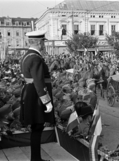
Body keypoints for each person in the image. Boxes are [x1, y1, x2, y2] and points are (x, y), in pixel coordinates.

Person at [20, 30, 54, 161]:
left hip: (32, 94)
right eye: (43, 42)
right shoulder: (35, 58)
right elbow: (39, 82)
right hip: (37, 97)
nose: (44, 45)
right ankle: (35, 159)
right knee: (37, 127)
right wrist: (47, 101)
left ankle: (36, 158)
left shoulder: (27, 56)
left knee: (36, 127)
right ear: (39, 43)